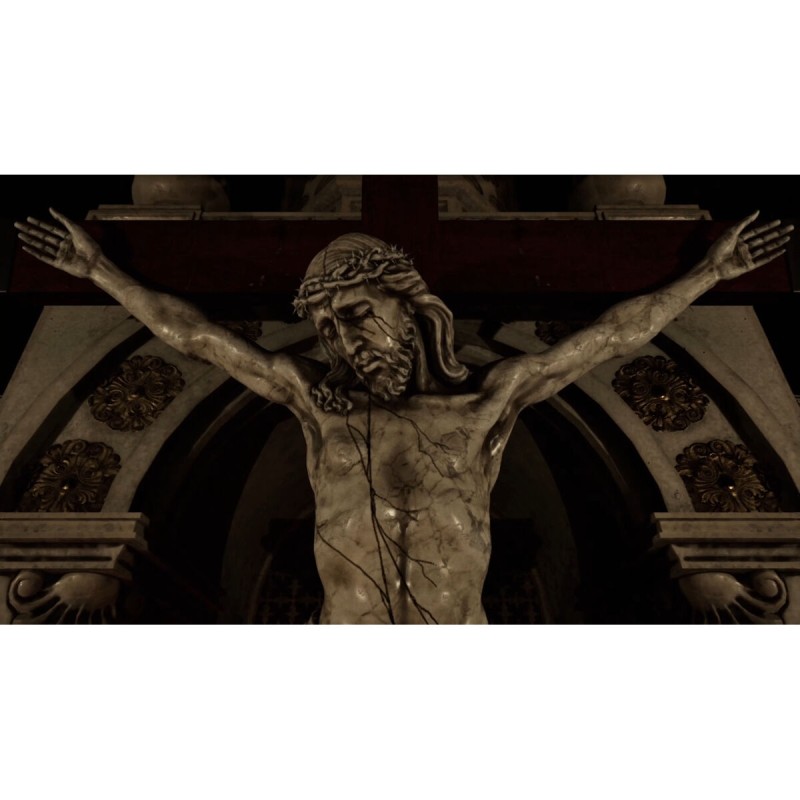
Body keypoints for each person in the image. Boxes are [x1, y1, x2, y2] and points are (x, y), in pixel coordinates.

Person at [15, 209, 793, 623]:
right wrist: (99, 270)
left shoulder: (487, 403)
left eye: (356, 314)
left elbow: (613, 337)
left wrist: (709, 273)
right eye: (329, 328)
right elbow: (197, 337)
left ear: (410, 306)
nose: (344, 339)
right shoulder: (317, 408)